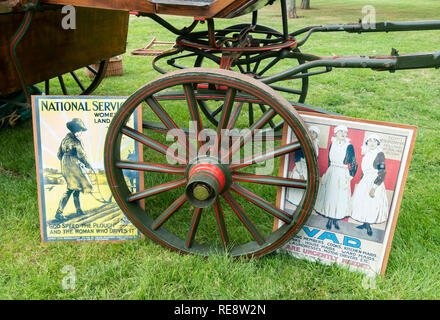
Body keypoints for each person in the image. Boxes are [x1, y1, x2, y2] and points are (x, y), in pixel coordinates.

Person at [315, 125, 358, 230]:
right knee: (330, 194)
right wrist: (328, 173)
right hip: (332, 171)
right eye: (340, 132)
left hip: (342, 173)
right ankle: (329, 217)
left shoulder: (349, 146)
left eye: (345, 132)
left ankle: (335, 219)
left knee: (339, 196)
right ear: (335, 134)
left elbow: (354, 163)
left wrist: (349, 177)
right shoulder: (332, 145)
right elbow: (329, 161)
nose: (343, 134)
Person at [55, 118, 92, 222]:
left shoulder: (64, 140)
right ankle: (59, 212)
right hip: (73, 166)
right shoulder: (76, 141)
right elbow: (82, 155)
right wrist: (88, 165)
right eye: (80, 130)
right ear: (76, 130)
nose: (81, 133)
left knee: (76, 187)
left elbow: (59, 154)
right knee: (71, 189)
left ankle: (78, 209)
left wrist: (65, 161)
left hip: (65, 165)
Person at [350, 134, 389, 236]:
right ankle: (365, 223)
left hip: (375, 181)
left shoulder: (380, 155)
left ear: (377, 143)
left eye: (374, 141)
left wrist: (374, 187)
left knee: (372, 203)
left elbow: (382, 171)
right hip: (365, 181)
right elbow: (364, 171)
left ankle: (369, 226)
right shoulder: (366, 154)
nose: (372, 143)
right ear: (367, 143)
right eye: (370, 141)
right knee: (364, 202)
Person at [287, 126, 320, 207]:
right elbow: (297, 159)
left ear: (316, 135)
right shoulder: (302, 143)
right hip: (300, 166)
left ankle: (304, 202)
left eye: (314, 133)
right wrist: (301, 173)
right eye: (310, 132)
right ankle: (295, 202)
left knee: (308, 184)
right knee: (299, 181)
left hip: (309, 167)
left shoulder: (316, 144)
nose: (312, 135)